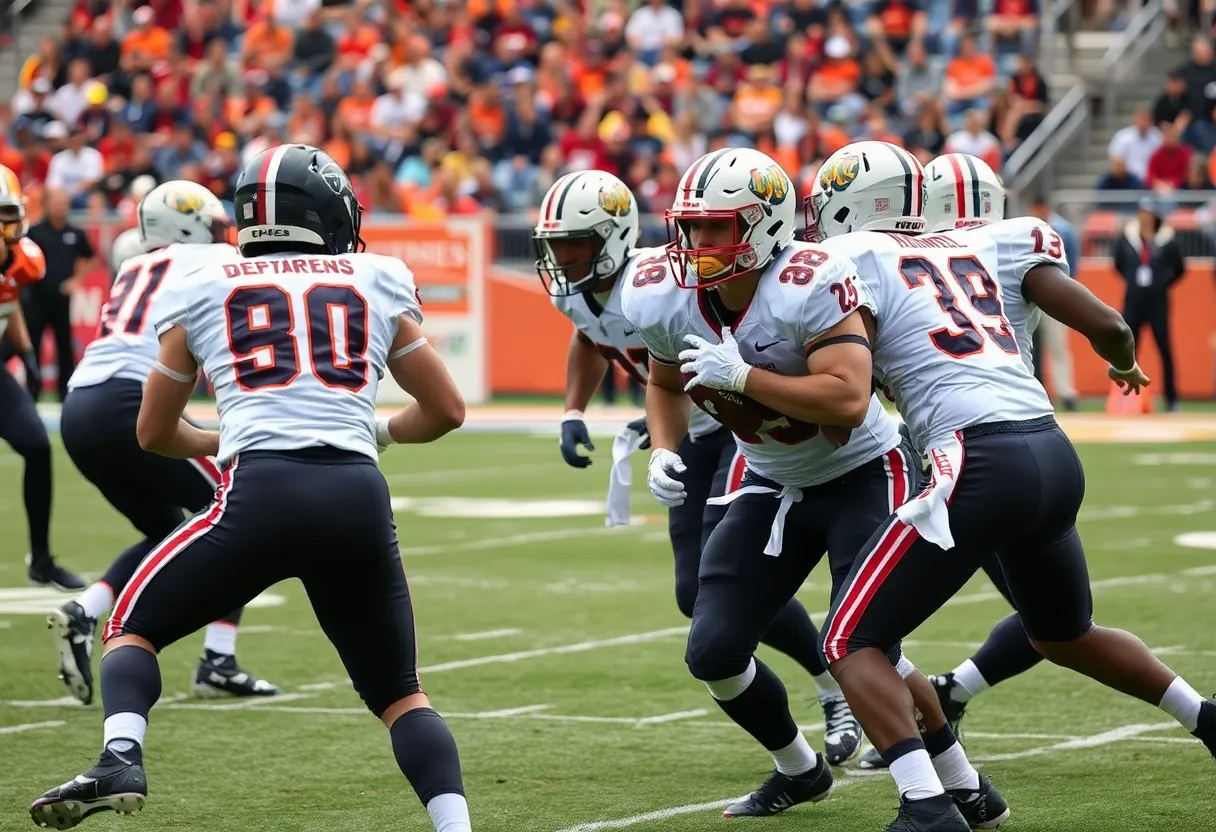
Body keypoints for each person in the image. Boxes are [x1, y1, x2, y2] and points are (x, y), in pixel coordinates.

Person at [31, 144, 473, 832]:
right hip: (356, 493)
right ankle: (455, 827)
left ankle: (121, 754)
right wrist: (376, 434)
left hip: (259, 491)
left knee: (130, 629)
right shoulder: (376, 275)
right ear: (323, 212)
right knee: (402, 696)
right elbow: (446, 411)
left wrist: (223, 439)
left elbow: (153, 432)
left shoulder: (205, 283)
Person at [789, 140, 1215, 831]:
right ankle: (1207, 718)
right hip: (1049, 448)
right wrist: (1127, 365)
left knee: (848, 641)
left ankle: (927, 805)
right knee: (1064, 633)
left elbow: (847, 401)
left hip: (974, 458)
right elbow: (1108, 324)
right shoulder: (983, 246)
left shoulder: (854, 260)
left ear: (849, 206)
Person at [622, 147, 1003, 825]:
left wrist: (742, 379)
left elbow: (848, 398)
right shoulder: (662, 291)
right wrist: (667, 446)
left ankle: (952, 787)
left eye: (718, 228)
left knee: (864, 641)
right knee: (712, 651)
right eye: (691, 228)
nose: (698, 245)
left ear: (765, 226)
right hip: (771, 480)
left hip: (862, 471)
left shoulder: (808, 278)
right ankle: (799, 769)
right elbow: (661, 380)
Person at [535, 170, 863, 766]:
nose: (563, 258)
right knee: (695, 594)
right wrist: (575, 410)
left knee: (728, 584)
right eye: (557, 246)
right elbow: (595, 339)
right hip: (692, 430)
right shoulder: (596, 291)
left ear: (611, 237)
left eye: (575, 244)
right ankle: (824, 687)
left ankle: (833, 682)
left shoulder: (662, 278)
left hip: (744, 428)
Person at [51, 181, 281, 707]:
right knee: (242, 504)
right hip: (127, 401)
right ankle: (217, 659)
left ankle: (86, 611)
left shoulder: (134, 265)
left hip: (80, 405)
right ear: (190, 222)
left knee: (164, 527)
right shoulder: (211, 258)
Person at [0, 164, 84, 592]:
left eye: (8, 212)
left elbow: (8, 302)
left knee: (36, 444)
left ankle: (42, 558)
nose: (8, 223)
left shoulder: (22, 259)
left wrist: (27, 353)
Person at [23, 187, 96, 401]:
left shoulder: (75, 233)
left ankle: (65, 394)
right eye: (56, 202)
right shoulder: (35, 231)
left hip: (62, 300)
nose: (60, 206)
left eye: (64, 202)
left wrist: (77, 280)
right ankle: (31, 392)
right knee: (32, 345)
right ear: (47, 204)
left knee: (64, 345)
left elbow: (92, 257)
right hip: (36, 298)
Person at [1114, 196, 1186, 411]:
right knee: (1128, 350)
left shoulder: (1167, 238)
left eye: (1149, 213)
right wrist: (1133, 280)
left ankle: (1172, 399)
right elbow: (1118, 264)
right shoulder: (1128, 237)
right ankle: (1126, 399)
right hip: (1134, 300)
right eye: (1142, 213)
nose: (1145, 217)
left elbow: (1180, 268)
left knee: (1164, 348)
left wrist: (1162, 282)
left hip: (1158, 302)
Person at [1025, 194, 1079, 410]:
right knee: (1029, 345)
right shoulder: (1027, 229)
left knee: (1058, 344)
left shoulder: (1062, 229)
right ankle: (1035, 390)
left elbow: (1072, 260)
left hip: (1054, 295)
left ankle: (1066, 391)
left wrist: (1066, 288)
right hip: (1032, 296)